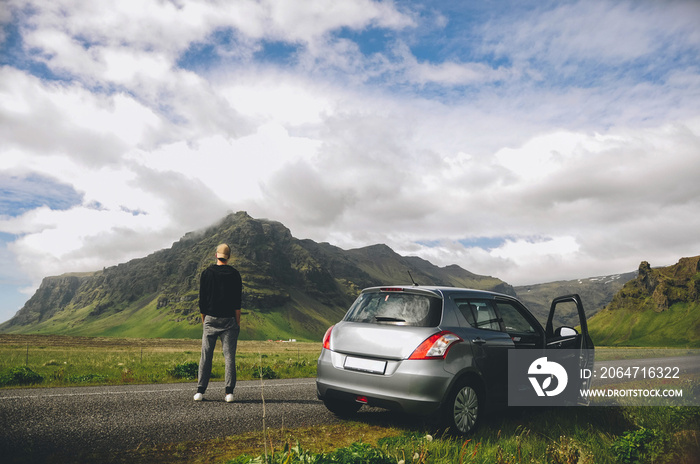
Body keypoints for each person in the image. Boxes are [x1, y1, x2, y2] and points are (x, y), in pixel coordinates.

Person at [194, 243, 242, 403]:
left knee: (206, 355)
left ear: (216, 255)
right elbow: (237, 303)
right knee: (229, 357)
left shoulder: (206, 273)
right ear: (229, 257)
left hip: (210, 319)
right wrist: (237, 323)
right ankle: (229, 393)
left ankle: (200, 391)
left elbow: (202, 301)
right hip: (229, 320)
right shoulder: (235, 274)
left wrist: (205, 321)